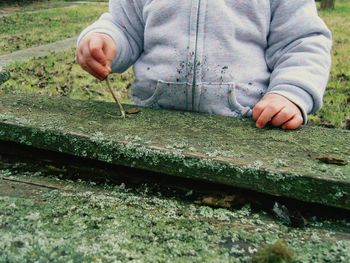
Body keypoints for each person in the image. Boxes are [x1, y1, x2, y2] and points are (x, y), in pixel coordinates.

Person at [76, 0, 332, 130]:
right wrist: (106, 39)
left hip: (246, 129)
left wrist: (289, 93)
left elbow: (301, 41)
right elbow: (125, 26)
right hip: (152, 124)